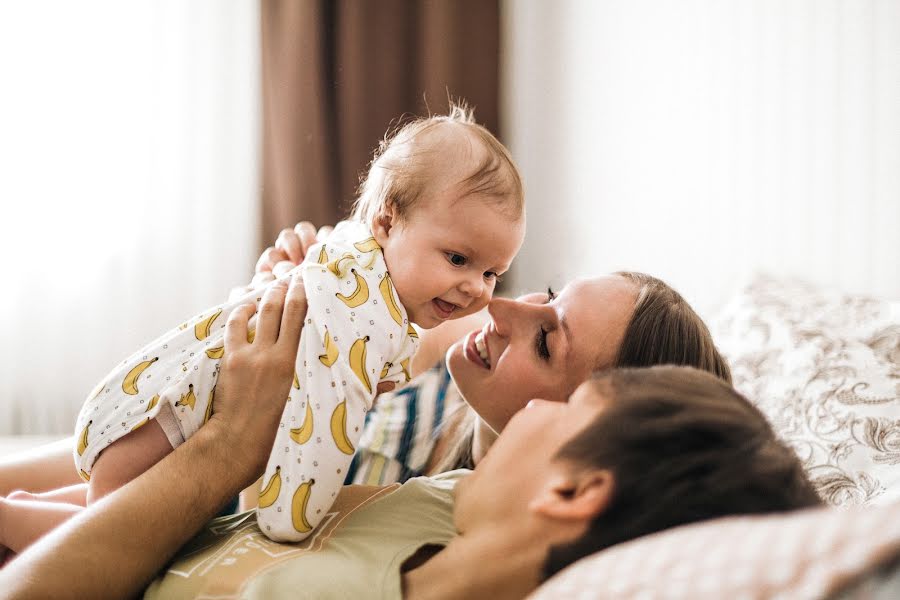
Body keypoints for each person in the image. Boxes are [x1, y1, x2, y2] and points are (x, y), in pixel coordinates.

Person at [0, 276, 820, 599]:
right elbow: (222, 525)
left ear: (574, 488)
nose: (498, 307)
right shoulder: (435, 500)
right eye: (543, 294)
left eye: (563, 406)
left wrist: (231, 444)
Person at [0, 105, 526, 547]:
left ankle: (16, 514)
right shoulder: (422, 326)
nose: (484, 295)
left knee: (106, 515)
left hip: (211, 455)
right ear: (386, 222)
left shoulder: (467, 488)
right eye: (459, 259)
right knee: (107, 514)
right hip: (180, 416)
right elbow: (320, 361)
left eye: (492, 273)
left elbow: (276, 473)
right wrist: (286, 280)